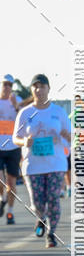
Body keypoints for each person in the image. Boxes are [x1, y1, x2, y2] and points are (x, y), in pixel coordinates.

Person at [12, 74, 70, 247]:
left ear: (48, 89)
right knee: (37, 201)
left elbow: (70, 136)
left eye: (42, 86)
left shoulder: (58, 112)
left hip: (56, 163)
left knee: (53, 198)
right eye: (35, 86)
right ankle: (40, 218)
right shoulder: (25, 113)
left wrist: (65, 135)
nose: (39, 90)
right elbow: (15, 137)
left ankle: (51, 233)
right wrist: (24, 142)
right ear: (32, 90)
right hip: (33, 165)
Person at [0, 74, 23, 225]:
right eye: (5, 84)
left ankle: (10, 211)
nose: (7, 87)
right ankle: (2, 199)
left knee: (11, 183)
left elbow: (25, 119)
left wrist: (15, 106)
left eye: (10, 84)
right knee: (1, 181)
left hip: (13, 147)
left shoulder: (18, 101)